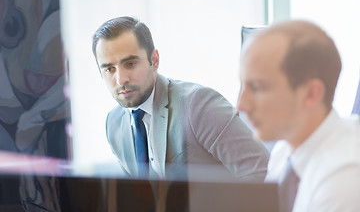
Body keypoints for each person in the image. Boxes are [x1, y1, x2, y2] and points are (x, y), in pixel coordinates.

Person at [91, 16, 269, 180]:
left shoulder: (198, 104)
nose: (121, 79)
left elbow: (261, 172)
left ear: (154, 60)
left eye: (130, 64)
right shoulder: (113, 124)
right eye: (109, 69)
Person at [237, 20, 360, 212]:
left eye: (257, 87)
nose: (241, 105)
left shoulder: (344, 178)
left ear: (311, 94)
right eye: (243, 85)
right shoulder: (284, 151)